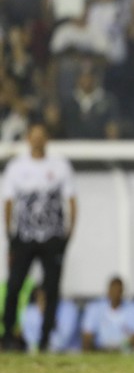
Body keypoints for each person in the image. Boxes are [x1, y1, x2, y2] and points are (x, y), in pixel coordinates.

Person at [2, 123, 77, 351]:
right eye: (33, 136)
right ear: (27, 139)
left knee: (52, 288)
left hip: (52, 237)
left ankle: (45, 338)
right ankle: (8, 335)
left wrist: (67, 235)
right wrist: (10, 234)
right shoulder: (16, 168)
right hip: (24, 238)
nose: (37, 140)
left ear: (47, 139)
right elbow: (8, 202)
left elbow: (72, 201)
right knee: (14, 285)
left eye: (41, 136)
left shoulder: (60, 167)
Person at [80, 277, 134, 352]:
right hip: (100, 349)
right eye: (113, 290)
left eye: (118, 291)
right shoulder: (95, 308)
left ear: (122, 292)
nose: (115, 294)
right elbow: (87, 334)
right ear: (108, 291)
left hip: (124, 350)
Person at [22, 286, 80, 353]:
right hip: (38, 351)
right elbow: (30, 339)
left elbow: (64, 339)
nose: (42, 303)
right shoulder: (30, 311)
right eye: (39, 300)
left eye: (45, 299)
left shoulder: (68, 308)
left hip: (68, 351)